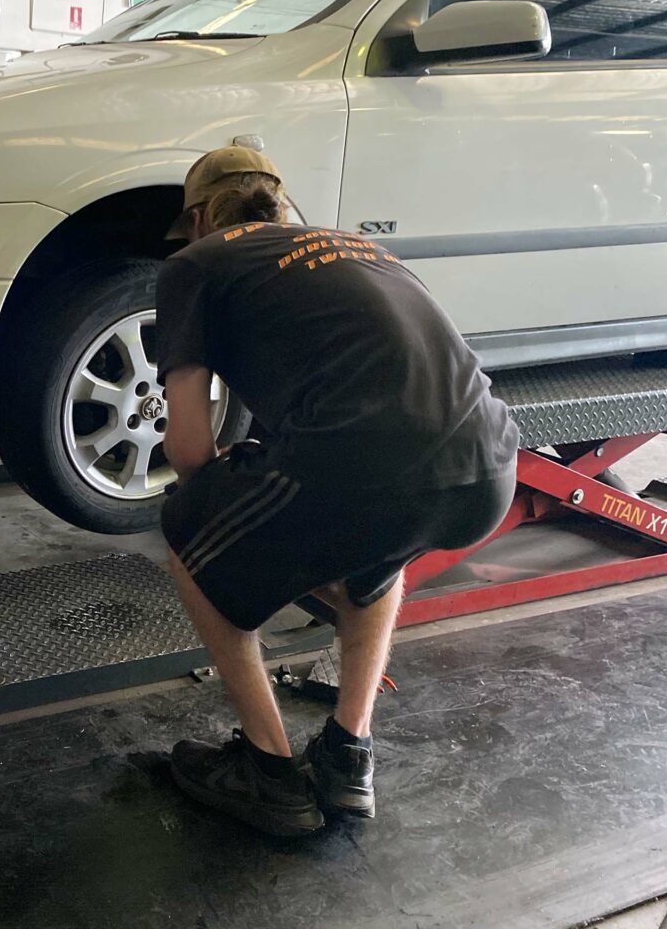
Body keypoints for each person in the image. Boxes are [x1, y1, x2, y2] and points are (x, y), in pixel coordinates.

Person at [157, 147, 519, 837]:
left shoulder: (196, 263)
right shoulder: (355, 248)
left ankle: (267, 771)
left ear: (200, 217)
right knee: (375, 553)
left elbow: (188, 447)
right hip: (490, 464)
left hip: (366, 461)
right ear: (281, 207)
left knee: (189, 533)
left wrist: (226, 538)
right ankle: (347, 756)